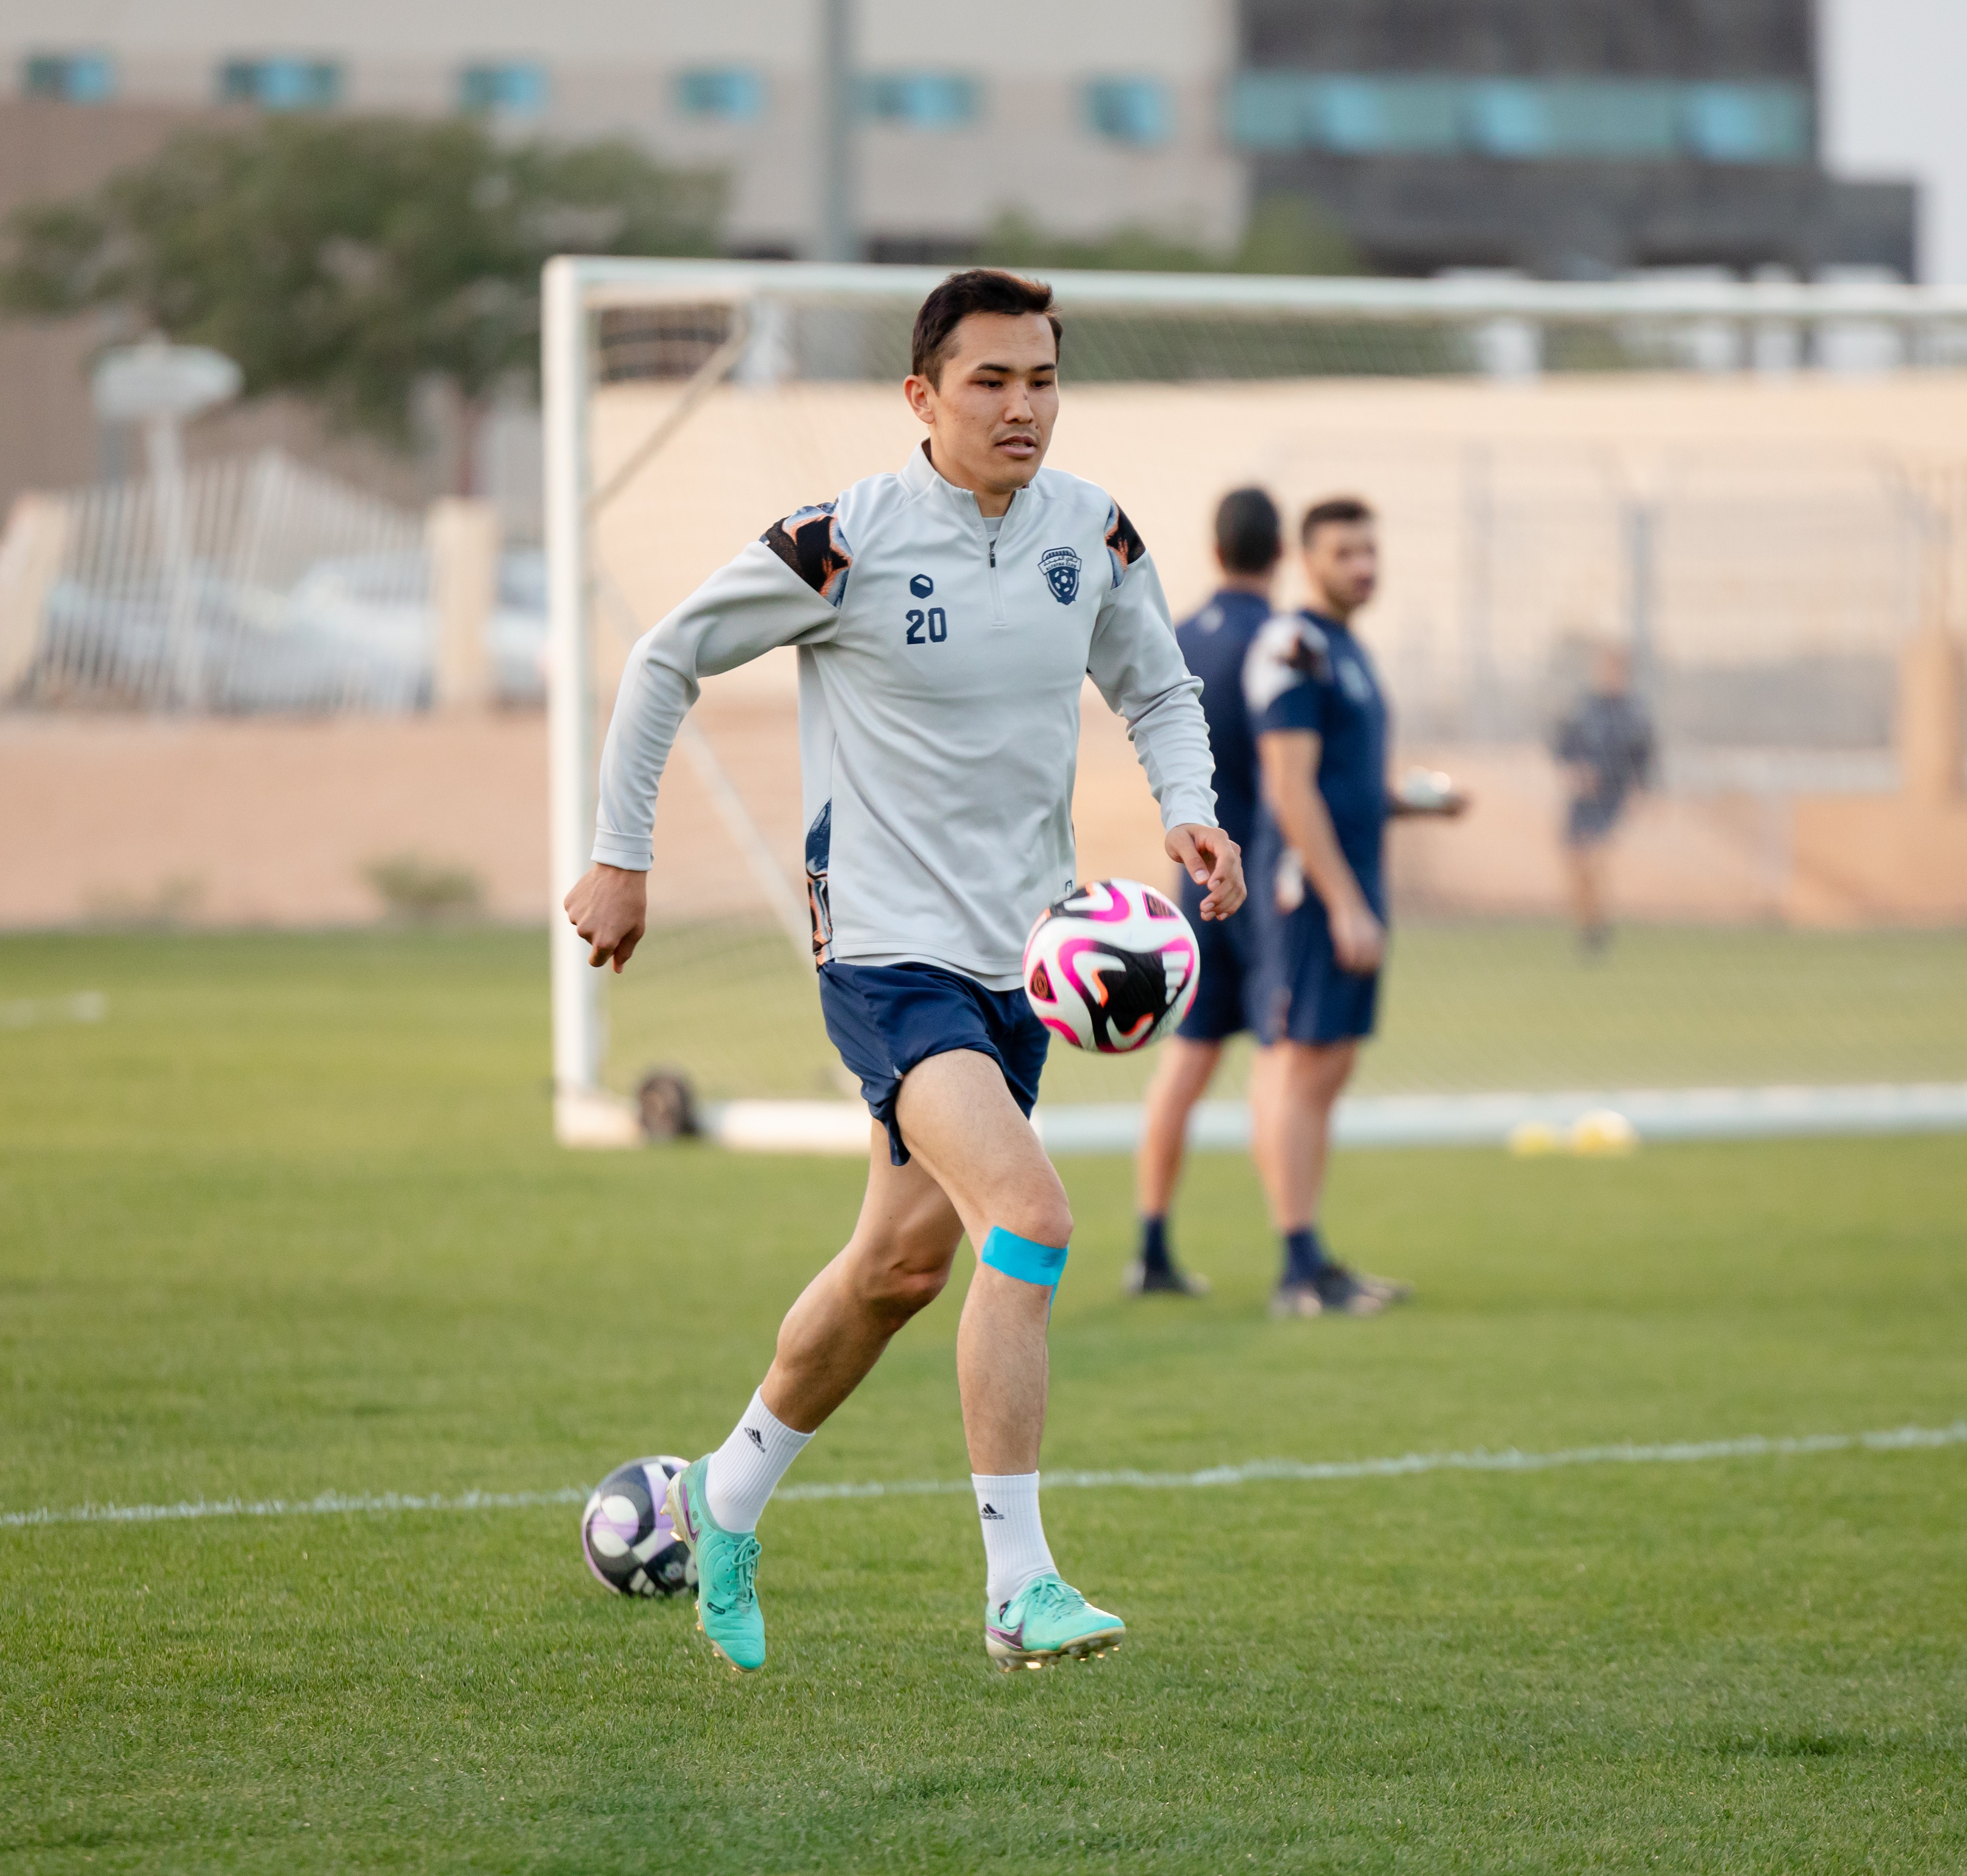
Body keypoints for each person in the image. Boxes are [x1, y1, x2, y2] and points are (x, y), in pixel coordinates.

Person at [563, 269, 1244, 1676]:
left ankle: (719, 1500)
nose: (1022, 408)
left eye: (1041, 381)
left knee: (899, 1266)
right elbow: (663, 658)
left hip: (1023, 968)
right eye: (990, 382)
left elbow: (1159, 691)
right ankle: (1018, 1588)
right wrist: (619, 858)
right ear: (922, 399)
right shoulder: (841, 544)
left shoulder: (1092, 533)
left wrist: (1192, 806)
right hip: (881, 953)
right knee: (1032, 1214)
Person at [1244, 497, 1463, 1319]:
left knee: (1323, 1070)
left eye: (1370, 550)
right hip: (1312, 891)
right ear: (1307, 560)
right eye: (1344, 552)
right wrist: (1343, 904)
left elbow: (1346, 786)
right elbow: (1289, 787)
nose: (1362, 566)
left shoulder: (1346, 649)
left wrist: (1415, 803)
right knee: (1305, 1069)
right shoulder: (1294, 645)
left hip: (1352, 881)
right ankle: (1299, 1270)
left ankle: (1314, 1260)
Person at [1127, 487, 1283, 1299]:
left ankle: (1150, 1248)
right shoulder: (1282, 644)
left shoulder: (1177, 635)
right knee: (1280, 1066)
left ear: (1217, 549)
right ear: (1280, 551)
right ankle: (1298, 1250)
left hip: (1192, 888)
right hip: (1261, 889)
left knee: (1183, 1071)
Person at [1552, 642, 1653, 956]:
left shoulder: (1633, 712)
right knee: (1576, 864)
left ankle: (1599, 927)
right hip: (1582, 798)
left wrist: (1642, 791)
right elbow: (1561, 746)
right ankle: (1589, 928)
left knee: (1596, 858)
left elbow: (1645, 756)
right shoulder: (1582, 707)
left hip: (1612, 797)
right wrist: (1574, 770)